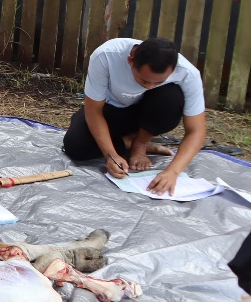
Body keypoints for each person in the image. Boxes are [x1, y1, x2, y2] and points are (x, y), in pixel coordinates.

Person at [62, 37, 206, 196]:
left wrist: (173, 172)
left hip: (148, 114)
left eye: (158, 82)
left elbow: (196, 131)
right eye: (144, 80)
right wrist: (111, 155)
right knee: (75, 145)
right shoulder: (106, 55)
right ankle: (127, 142)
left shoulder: (188, 73)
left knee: (170, 97)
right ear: (130, 60)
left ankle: (140, 144)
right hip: (111, 110)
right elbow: (94, 112)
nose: (150, 86)